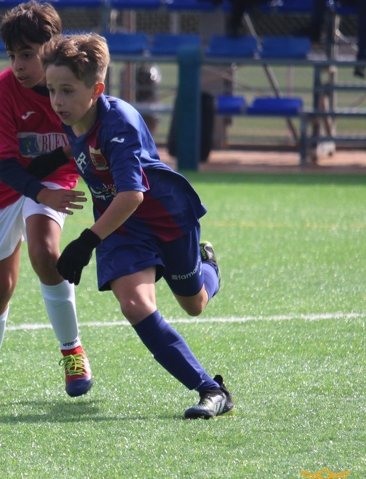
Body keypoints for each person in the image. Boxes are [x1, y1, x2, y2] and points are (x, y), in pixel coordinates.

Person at [40, 32, 233, 419]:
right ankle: (212, 390)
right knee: (134, 304)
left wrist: (85, 242)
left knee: (193, 303)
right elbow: (76, 149)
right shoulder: (71, 115)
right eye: (51, 90)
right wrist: (37, 168)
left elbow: (133, 195)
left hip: (165, 216)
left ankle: (208, 266)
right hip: (122, 228)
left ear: (96, 89)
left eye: (66, 91)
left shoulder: (120, 123)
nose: (57, 101)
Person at [0, 1, 93, 398]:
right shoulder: (2, 90)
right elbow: (4, 164)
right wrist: (42, 192)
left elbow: (84, 143)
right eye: (11, 56)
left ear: (51, 48)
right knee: (0, 283)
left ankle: (73, 352)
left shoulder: (73, 85)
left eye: (27, 55)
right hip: (1, 180)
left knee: (45, 253)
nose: (17, 65)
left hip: (51, 176)